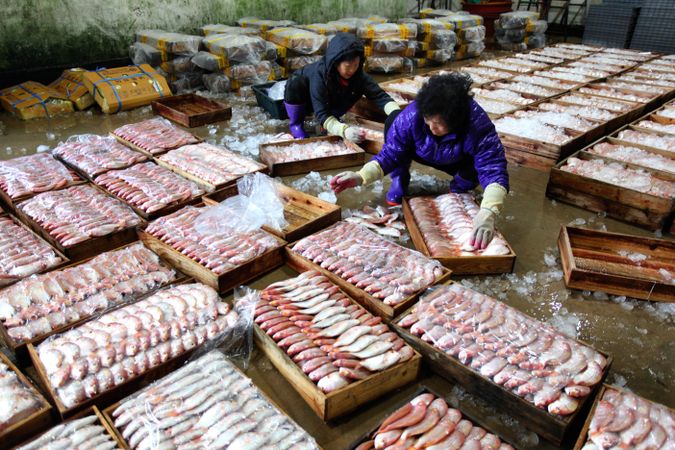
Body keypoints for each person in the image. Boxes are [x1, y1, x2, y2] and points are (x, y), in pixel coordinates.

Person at [329, 73, 509, 249]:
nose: (431, 128)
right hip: (421, 151)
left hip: (458, 158)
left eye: (438, 125)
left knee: (470, 178)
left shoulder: (476, 124)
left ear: (456, 121)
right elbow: (391, 153)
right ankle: (400, 179)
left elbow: (493, 168)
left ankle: (459, 189)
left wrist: (488, 212)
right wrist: (361, 176)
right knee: (393, 123)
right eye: (428, 121)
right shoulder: (412, 116)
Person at [283, 32, 401, 141]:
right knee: (295, 82)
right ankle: (296, 124)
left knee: (352, 90)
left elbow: (380, 96)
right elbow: (321, 112)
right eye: (348, 66)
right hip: (307, 99)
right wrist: (343, 130)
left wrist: (397, 115)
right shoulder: (320, 75)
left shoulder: (359, 76)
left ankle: (332, 121)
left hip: (331, 101)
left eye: (356, 65)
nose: (352, 70)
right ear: (336, 62)